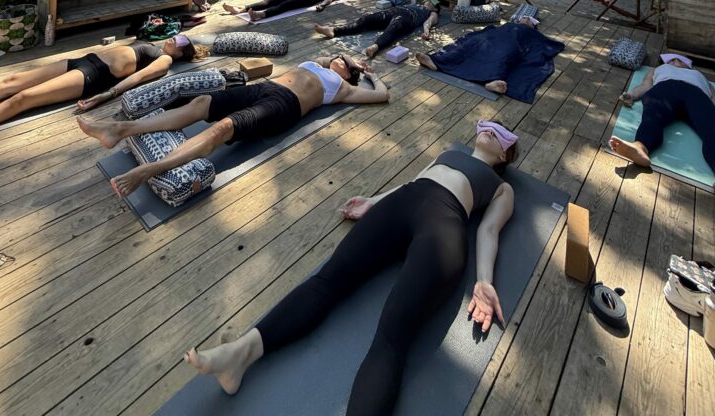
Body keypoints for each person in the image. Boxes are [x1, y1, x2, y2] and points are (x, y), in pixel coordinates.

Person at [181, 120, 517, 416]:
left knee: (393, 334)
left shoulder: (502, 187)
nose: (490, 130)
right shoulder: (448, 153)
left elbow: (488, 231)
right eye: (486, 125)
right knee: (326, 281)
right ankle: (241, 353)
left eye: (500, 133)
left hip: (445, 224)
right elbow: (412, 181)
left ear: (505, 155)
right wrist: (374, 200)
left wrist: (484, 281)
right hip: (401, 204)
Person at [77, 53, 389, 198]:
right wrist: (342, 57)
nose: (340, 59)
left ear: (349, 74)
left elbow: (382, 95)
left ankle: (148, 170)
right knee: (201, 103)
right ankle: (119, 130)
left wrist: (369, 73)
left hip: (285, 105)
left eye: (345, 63)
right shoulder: (316, 63)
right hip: (265, 87)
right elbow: (327, 52)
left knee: (221, 129)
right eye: (340, 57)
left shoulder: (344, 87)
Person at [0, 34, 206, 139]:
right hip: (84, 60)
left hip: (94, 75)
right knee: (9, 82)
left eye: (181, 41)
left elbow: (137, 78)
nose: (176, 38)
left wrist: (106, 95)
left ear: (181, 53)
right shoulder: (152, 43)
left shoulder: (164, 59)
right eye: (178, 36)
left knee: (21, 98)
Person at [609, 52, 715, 179]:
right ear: (666, 63)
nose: (676, 61)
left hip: (696, 94)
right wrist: (632, 95)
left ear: (688, 65)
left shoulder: (699, 75)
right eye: (671, 60)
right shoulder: (658, 70)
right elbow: (645, 86)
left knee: (712, 128)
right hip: (665, 88)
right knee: (652, 116)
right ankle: (640, 147)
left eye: (680, 60)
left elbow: (713, 98)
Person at [415, 15, 564, 103]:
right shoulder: (508, 25)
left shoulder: (532, 33)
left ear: (532, 25)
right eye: (523, 18)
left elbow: (549, 45)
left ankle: (493, 81)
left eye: (528, 19)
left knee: (504, 53)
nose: (525, 19)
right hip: (491, 38)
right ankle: (437, 61)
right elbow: (486, 31)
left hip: (512, 42)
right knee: (469, 45)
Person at [316, 0, 441, 59]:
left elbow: (429, 22)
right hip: (394, 11)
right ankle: (334, 31)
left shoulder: (432, 13)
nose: (428, 2)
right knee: (366, 19)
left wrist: (426, 32)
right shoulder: (415, 3)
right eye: (428, 1)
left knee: (393, 28)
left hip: (409, 18)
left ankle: (375, 47)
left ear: (435, 8)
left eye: (431, 3)